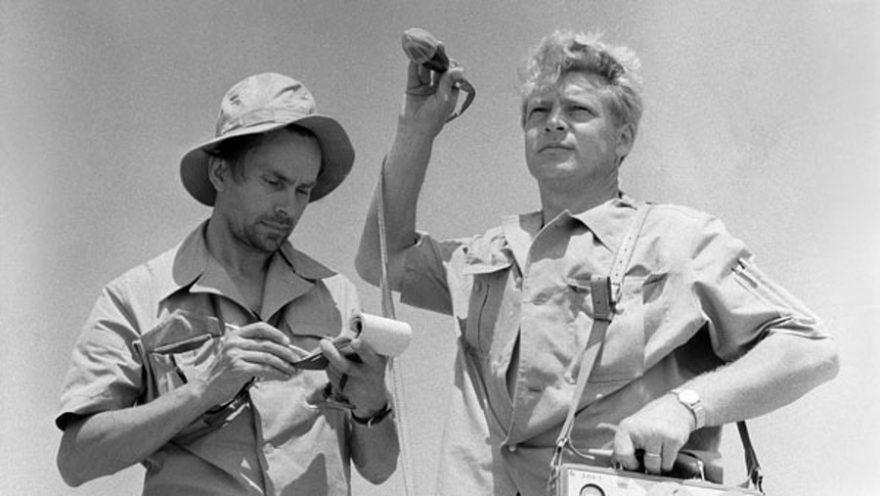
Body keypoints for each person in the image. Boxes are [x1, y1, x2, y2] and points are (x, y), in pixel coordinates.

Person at [356, 30, 839, 495]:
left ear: (623, 138)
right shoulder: (490, 254)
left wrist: (686, 406)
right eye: (538, 111)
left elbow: (809, 347)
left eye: (579, 110)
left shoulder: (677, 240)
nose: (553, 123)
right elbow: (381, 259)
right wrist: (418, 127)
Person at [56, 72, 399, 495]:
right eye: (273, 183)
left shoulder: (337, 296)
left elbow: (379, 469)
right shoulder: (134, 298)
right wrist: (203, 390)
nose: (288, 207)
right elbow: (76, 460)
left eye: (303, 190)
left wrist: (371, 401)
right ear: (220, 173)